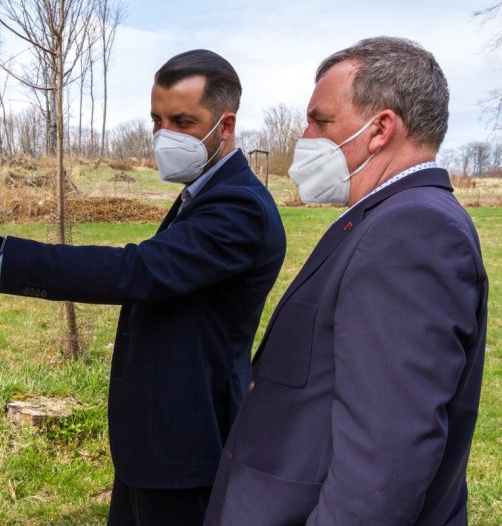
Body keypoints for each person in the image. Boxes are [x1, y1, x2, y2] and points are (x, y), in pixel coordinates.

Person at [0, 49, 286, 525]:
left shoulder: (238, 205)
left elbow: (136, 272)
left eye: (183, 121)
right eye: (157, 120)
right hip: (156, 441)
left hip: (187, 447)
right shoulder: (203, 193)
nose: (165, 136)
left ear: (225, 127)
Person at [205, 37, 488, 525]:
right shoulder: (386, 216)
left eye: (321, 120)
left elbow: (383, 470)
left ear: (380, 129)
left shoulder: (412, 230)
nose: (305, 133)